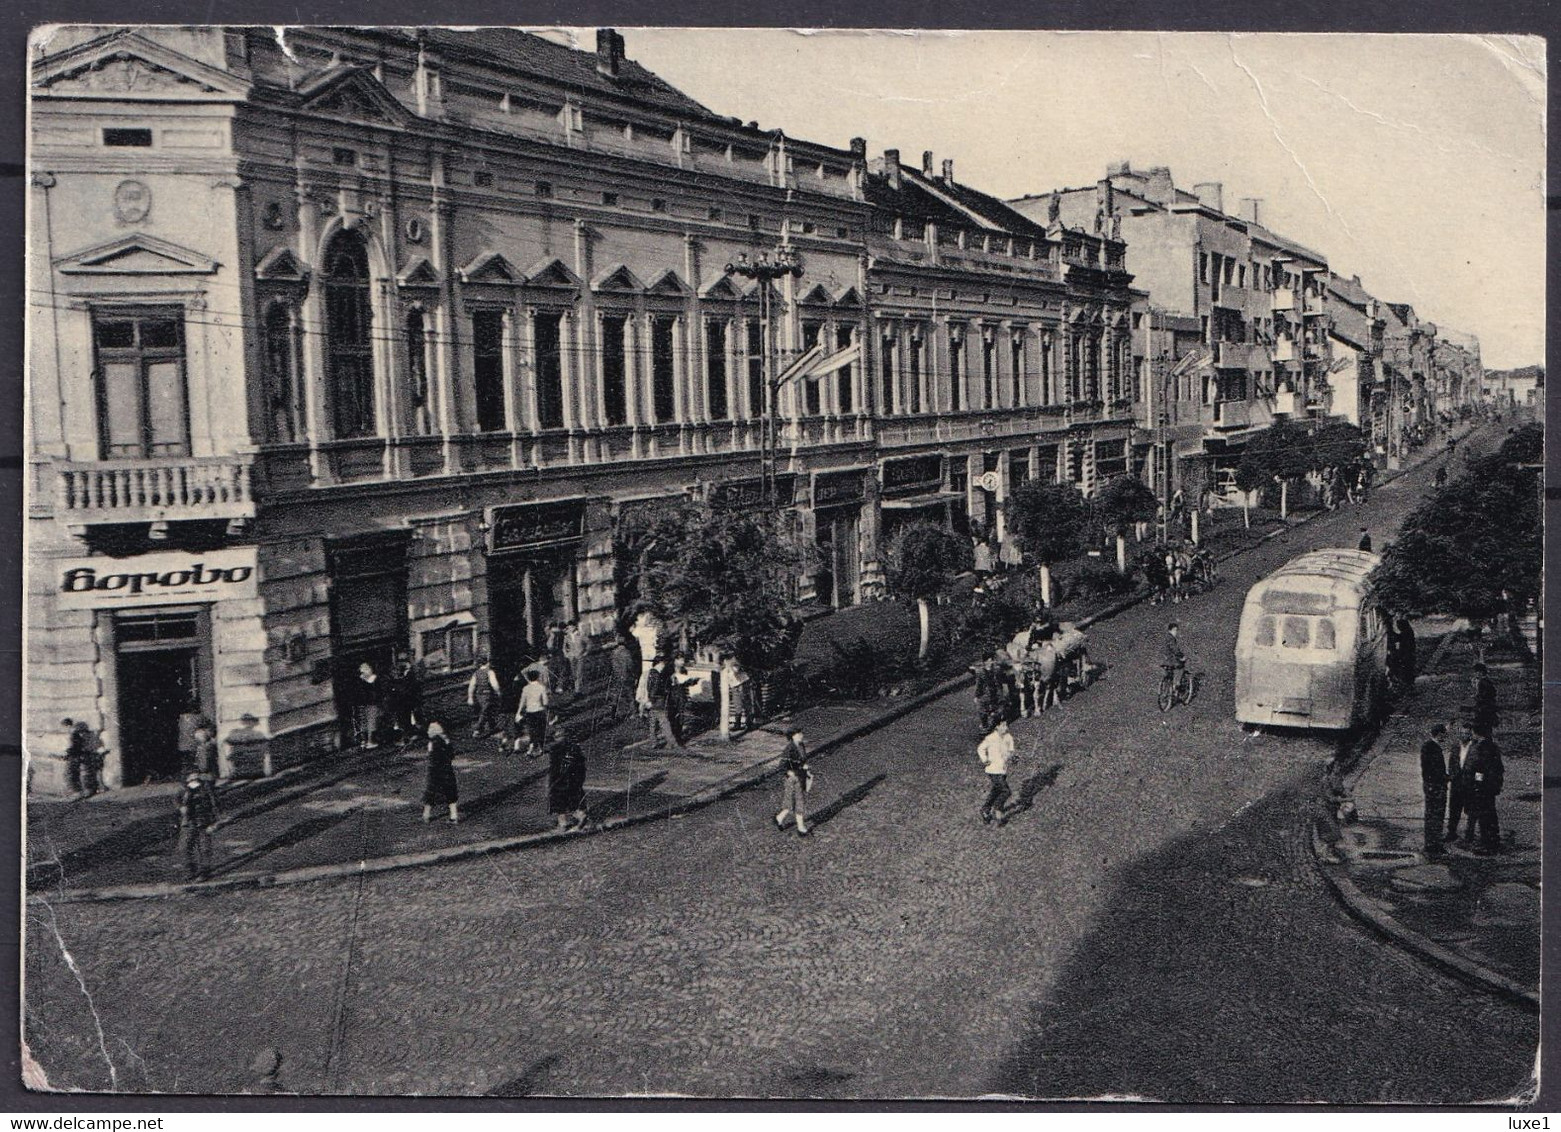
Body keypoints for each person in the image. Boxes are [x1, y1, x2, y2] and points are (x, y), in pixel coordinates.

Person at [1465, 723, 1505, 854]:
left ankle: (1488, 845)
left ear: (1476, 733)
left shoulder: (1481, 747)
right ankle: (1493, 842)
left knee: (1484, 817)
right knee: (1491, 815)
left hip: (1482, 788)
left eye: (1473, 733)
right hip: (1491, 787)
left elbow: (1479, 769)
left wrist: (1476, 784)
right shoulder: (1493, 746)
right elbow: (1499, 768)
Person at [176, 770, 220, 880]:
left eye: (196, 774)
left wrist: (214, 822)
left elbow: (214, 804)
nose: (194, 777)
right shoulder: (183, 788)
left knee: (204, 849)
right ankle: (189, 871)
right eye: (191, 775)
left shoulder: (205, 787)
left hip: (204, 821)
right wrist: (181, 807)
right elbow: (177, 801)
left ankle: (204, 872)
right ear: (187, 778)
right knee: (184, 847)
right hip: (188, 822)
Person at [547, 720, 588, 831]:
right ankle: (581, 814)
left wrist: (552, 781)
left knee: (558, 801)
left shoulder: (555, 749)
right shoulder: (574, 747)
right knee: (575, 797)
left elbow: (554, 767)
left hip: (560, 778)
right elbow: (581, 764)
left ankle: (563, 824)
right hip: (575, 777)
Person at [977, 718, 1017, 826]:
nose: (1006, 728)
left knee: (996, 790)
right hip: (993, 769)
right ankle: (998, 809)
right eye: (1003, 726)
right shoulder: (991, 738)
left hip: (1002, 769)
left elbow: (1010, 751)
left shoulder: (1008, 737)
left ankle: (985, 809)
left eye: (1006, 725)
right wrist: (985, 760)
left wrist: (1012, 758)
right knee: (1006, 791)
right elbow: (980, 749)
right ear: (997, 727)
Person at [774, 728, 810, 837]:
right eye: (799, 734)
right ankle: (781, 818)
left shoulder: (801, 745)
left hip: (800, 777)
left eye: (801, 733)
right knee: (790, 802)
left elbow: (803, 759)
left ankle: (799, 826)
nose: (801, 735)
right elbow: (782, 765)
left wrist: (804, 766)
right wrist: (789, 772)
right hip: (792, 779)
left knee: (799, 801)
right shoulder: (789, 748)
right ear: (793, 736)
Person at [1419, 723, 1450, 855]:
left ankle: (1430, 844)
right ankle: (1434, 846)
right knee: (1436, 816)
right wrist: (1447, 778)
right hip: (1436, 787)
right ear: (1440, 734)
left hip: (1430, 786)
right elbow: (1435, 771)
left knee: (1431, 816)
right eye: (1444, 734)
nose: (1445, 737)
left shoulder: (1427, 746)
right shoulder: (1433, 748)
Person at [420, 721, 459, 824]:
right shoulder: (447, 741)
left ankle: (426, 815)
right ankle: (454, 816)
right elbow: (451, 755)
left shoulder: (432, 743)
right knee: (450, 793)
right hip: (447, 770)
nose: (428, 731)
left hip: (434, 771)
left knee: (430, 793)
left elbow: (432, 758)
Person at [1445, 722, 1476, 844]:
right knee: (1454, 810)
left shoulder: (1475, 747)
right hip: (1457, 784)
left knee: (1471, 811)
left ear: (1470, 734)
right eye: (1462, 733)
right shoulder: (1455, 747)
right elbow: (1451, 763)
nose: (1464, 736)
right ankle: (1451, 833)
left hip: (1470, 785)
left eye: (1467, 733)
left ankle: (1469, 835)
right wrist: (1452, 776)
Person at [514, 668, 550, 757]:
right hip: (539, 711)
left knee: (532, 730)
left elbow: (522, 702)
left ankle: (531, 747)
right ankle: (541, 748)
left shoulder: (526, 688)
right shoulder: (541, 687)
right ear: (537, 677)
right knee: (541, 730)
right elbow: (545, 702)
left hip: (529, 712)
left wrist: (518, 712)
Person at [62, 718, 101, 800]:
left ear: (67, 725)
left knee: (72, 773)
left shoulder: (73, 732)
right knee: (86, 772)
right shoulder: (80, 731)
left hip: (76, 755)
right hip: (84, 754)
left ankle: (78, 792)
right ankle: (87, 790)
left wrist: (67, 754)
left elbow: (72, 745)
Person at [644, 657, 677, 750]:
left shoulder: (654, 674)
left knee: (653, 722)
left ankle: (653, 742)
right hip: (657, 701)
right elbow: (653, 689)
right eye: (662, 664)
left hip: (655, 700)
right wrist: (651, 700)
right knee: (663, 721)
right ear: (658, 663)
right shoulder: (656, 675)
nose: (663, 666)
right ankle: (671, 742)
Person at [467, 655, 502, 738]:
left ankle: (492, 726)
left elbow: (472, 685)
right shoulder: (490, 672)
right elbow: (495, 684)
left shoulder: (476, 673)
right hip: (488, 694)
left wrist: (470, 697)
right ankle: (478, 729)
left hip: (479, 695)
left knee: (486, 710)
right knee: (485, 712)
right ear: (488, 662)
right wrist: (499, 692)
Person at [354, 662, 384, 749]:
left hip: (367, 703)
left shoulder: (365, 680)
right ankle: (368, 741)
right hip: (368, 703)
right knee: (368, 722)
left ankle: (367, 741)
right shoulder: (368, 679)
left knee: (367, 722)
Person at [720, 655, 752, 733]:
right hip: (734, 685)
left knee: (745, 703)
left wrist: (731, 666)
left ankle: (749, 723)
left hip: (741, 682)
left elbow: (736, 670)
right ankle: (737, 724)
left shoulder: (733, 659)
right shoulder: (723, 661)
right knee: (737, 704)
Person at [1471, 662, 1499, 735]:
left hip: (1484, 709)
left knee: (1481, 728)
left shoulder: (1482, 682)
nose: (1475, 674)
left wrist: (1476, 697)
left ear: (1480, 672)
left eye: (1476, 672)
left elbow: (1483, 696)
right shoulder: (1488, 681)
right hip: (1489, 708)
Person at [1391, 618, 1418, 692]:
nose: (1398, 627)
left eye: (1399, 626)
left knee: (1407, 670)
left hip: (1407, 655)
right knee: (1408, 670)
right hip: (1409, 654)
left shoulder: (1406, 632)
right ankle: (1410, 686)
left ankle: (1409, 687)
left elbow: (1399, 639)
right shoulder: (1407, 631)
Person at [562, 621, 588, 696]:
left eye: (571, 627)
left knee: (579, 673)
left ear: (575, 627)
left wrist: (586, 652)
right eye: (569, 627)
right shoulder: (567, 636)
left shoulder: (581, 634)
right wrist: (566, 654)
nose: (570, 628)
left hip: (580, 656)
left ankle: (578, 691)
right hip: (571, 657)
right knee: (574, 674)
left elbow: (589, 643)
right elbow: (564, 647)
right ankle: (577, 688)